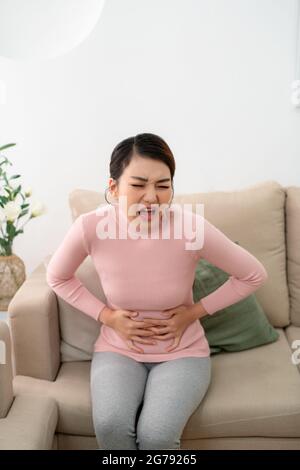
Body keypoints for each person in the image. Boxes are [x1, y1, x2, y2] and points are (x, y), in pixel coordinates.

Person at [46, 132, 268, 450]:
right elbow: (58, 277)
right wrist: (107, 316)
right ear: (113, 187)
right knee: (111, 426)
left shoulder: (191, 227)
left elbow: (253, 274)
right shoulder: (91, 227)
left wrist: (193, 312)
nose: (152, 197)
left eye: (163, 185)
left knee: (157, 437)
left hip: (183, 353)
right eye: (138, 184)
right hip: (118, 350)